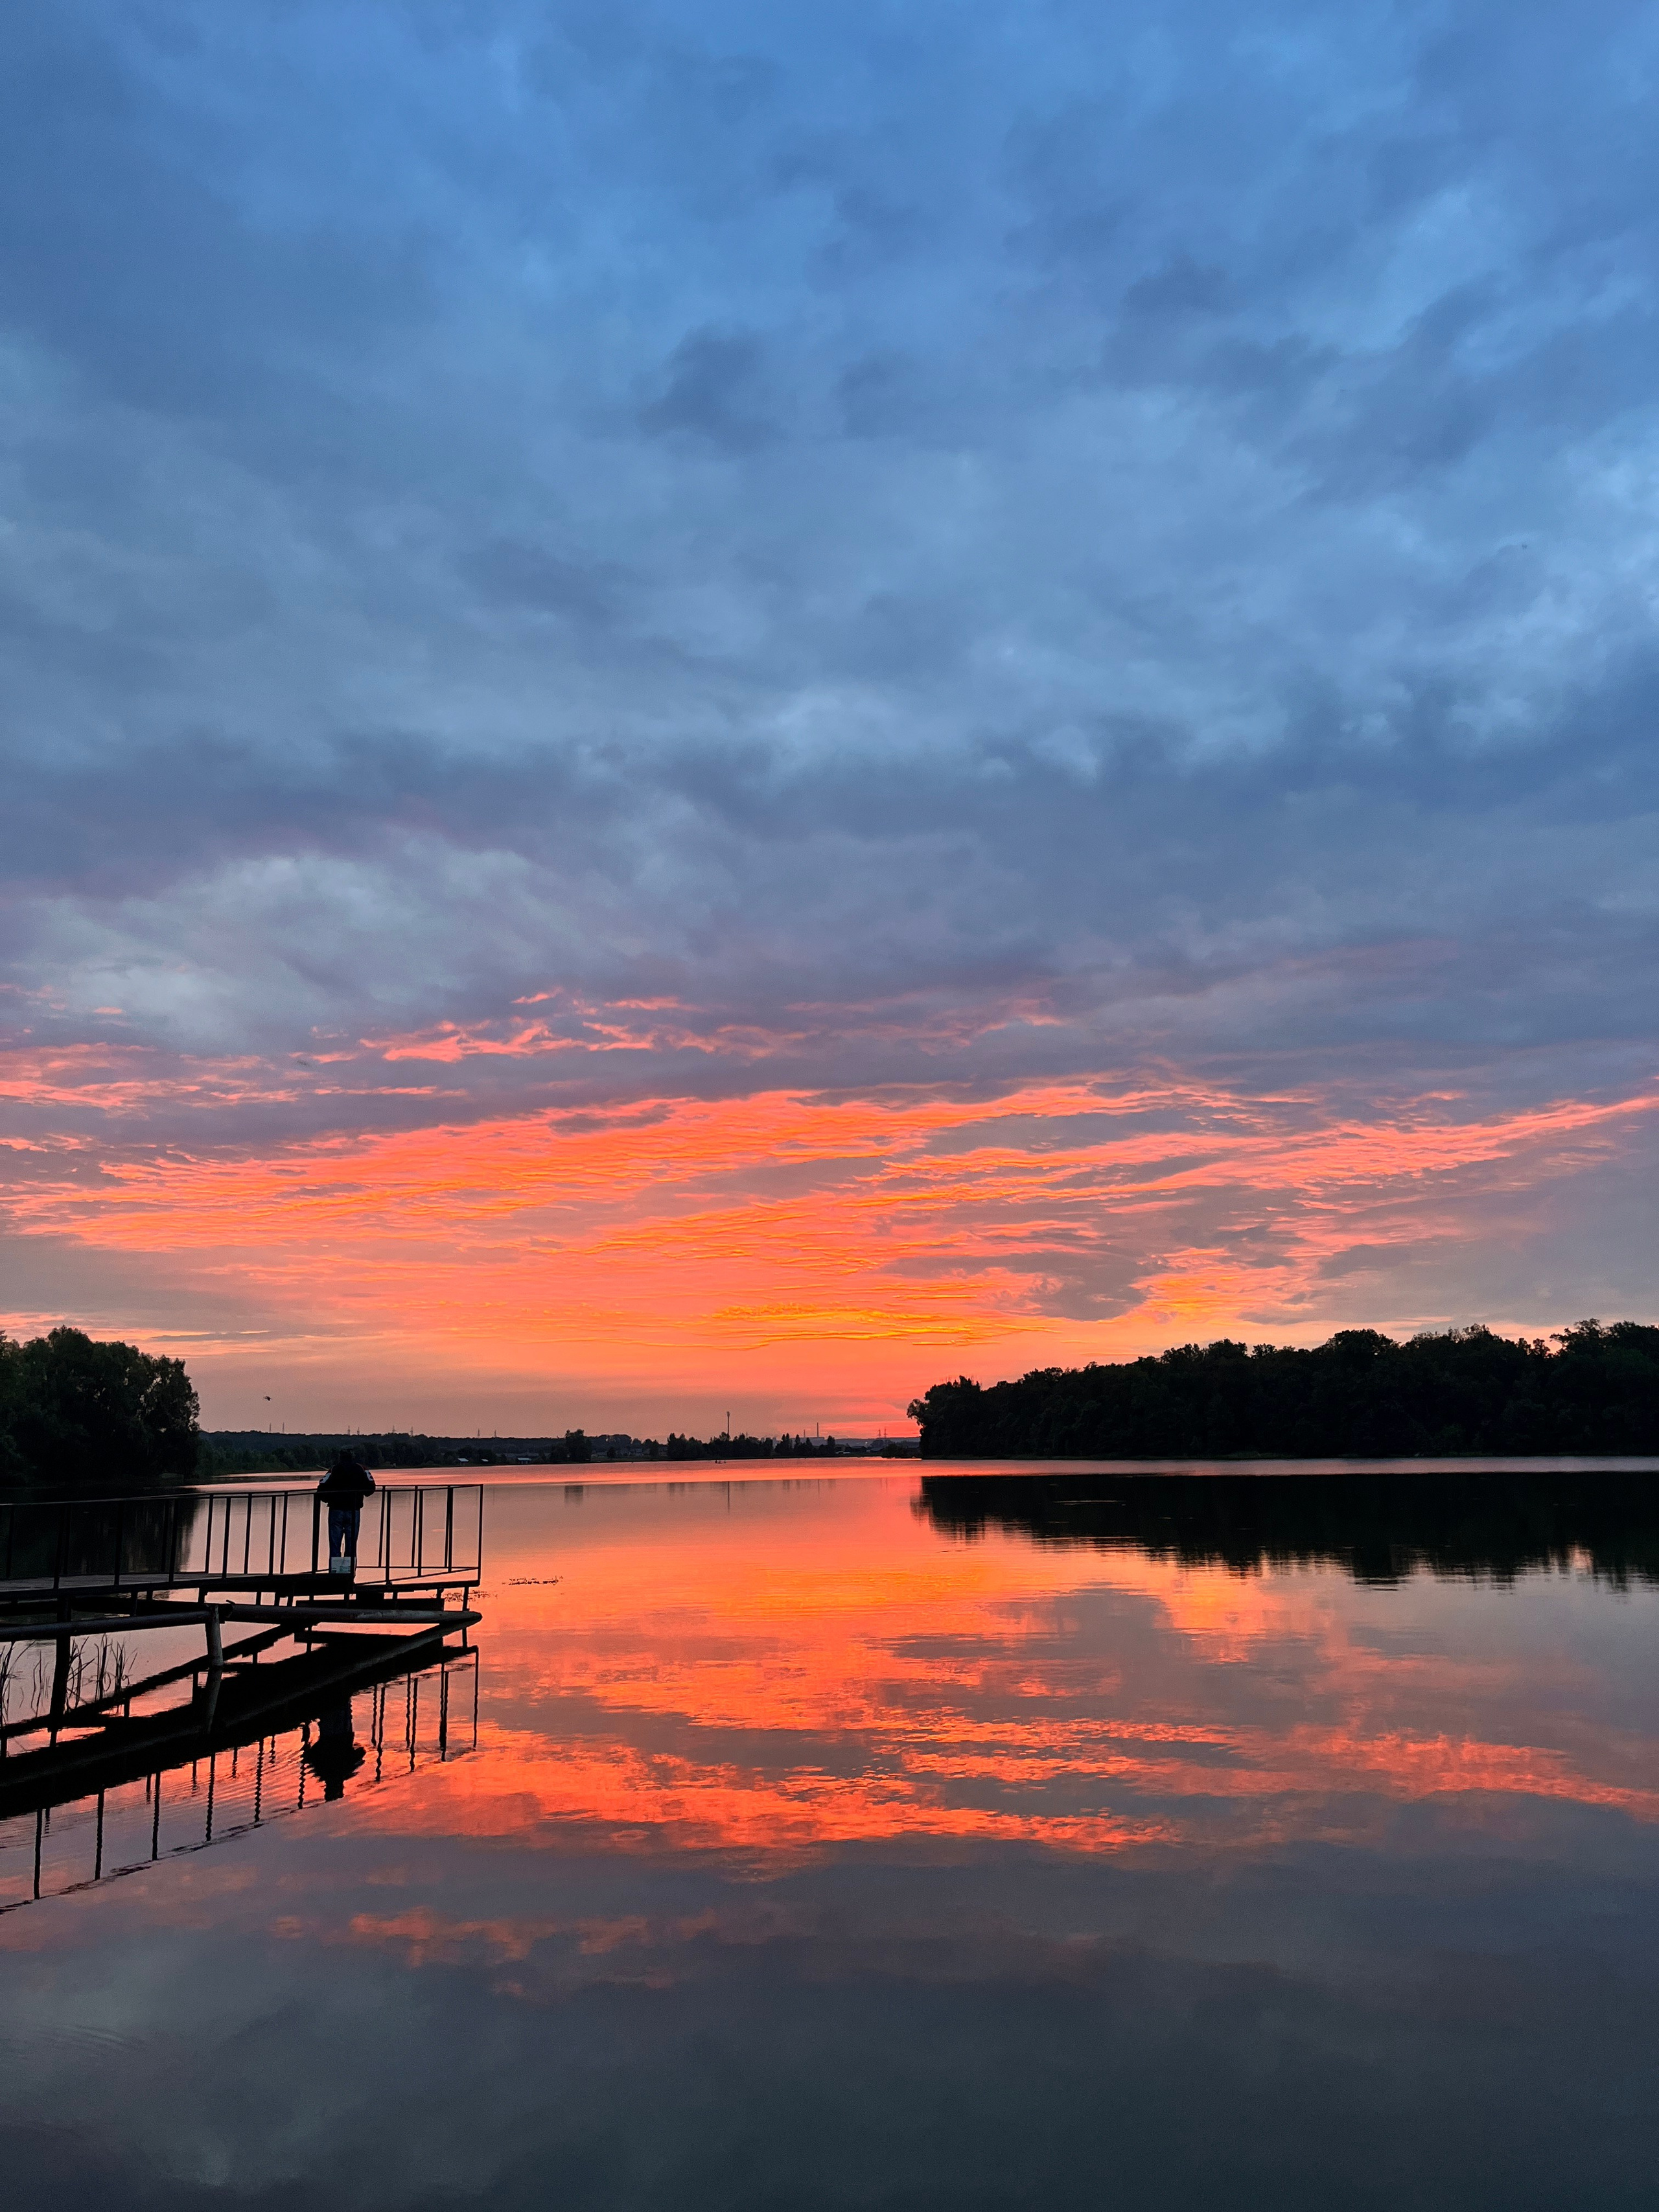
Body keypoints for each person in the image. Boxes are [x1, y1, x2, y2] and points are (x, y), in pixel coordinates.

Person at [316, 1448, 375, 1575]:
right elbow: (371, 1488)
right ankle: (349, 1574)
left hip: (336, 1510)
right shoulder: (361, 1469)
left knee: (335, 1545)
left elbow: (321, 1488)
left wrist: (328, 1499)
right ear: (352, 1457)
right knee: (351, 1545)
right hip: (354, 1511)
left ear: (340, 1458)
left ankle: (336, 1574)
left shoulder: (334, 1469)